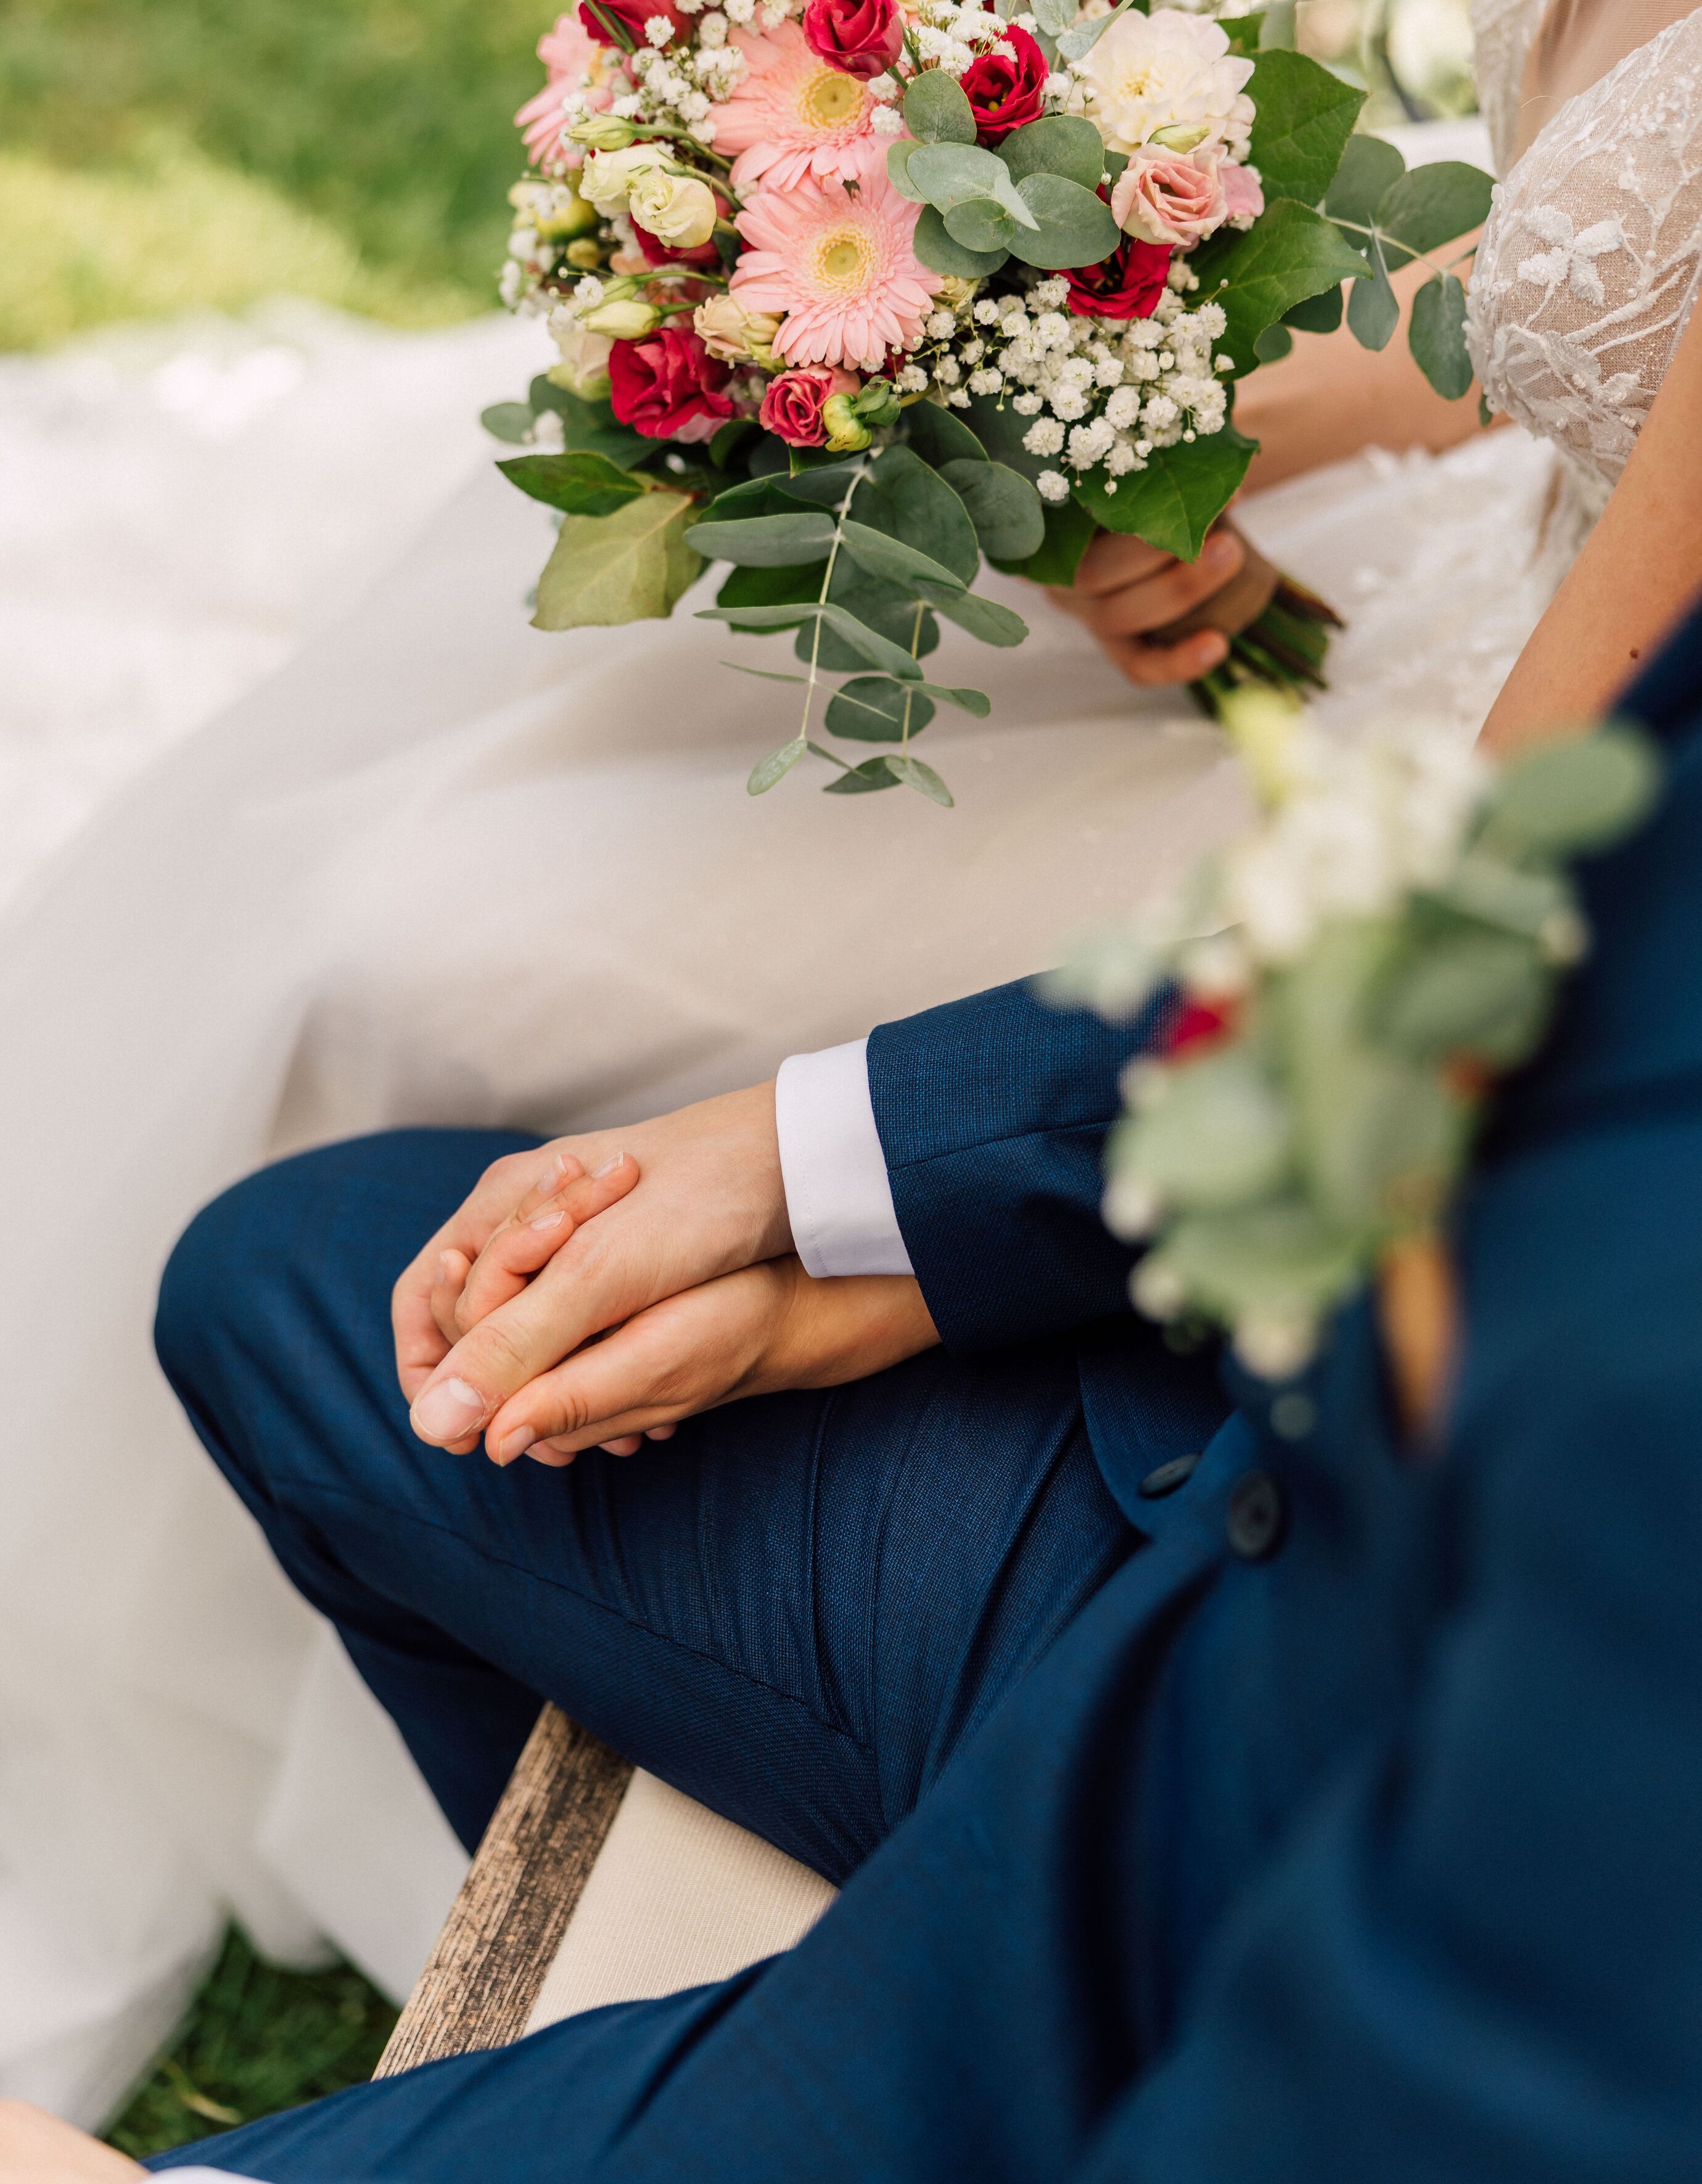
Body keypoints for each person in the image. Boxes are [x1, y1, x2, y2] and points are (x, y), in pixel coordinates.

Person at [0, 0, 1698, 2122]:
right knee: (455, 893)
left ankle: (682, 1953)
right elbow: (1557, 303)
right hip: (1433, 610)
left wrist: (852, 1194)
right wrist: (1122, 371)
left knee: (430, 1017)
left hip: (1431, 866)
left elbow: (1504, 931)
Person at [11, 489, 1702, 2182]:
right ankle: (651, 1983)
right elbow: (1488, 951)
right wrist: (841, 1200)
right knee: (300, 1294)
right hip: (1202, 1536)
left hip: (1291, 1900)